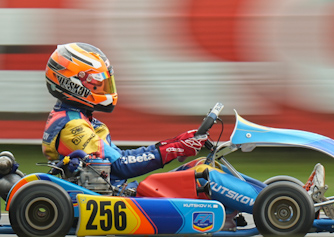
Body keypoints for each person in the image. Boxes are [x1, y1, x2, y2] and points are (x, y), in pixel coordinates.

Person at [24, 42, 209, 192]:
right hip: (115, 197)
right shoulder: (73, 126)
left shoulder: (78, 118)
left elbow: (119, 159)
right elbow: (120, 165)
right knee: (205, 177)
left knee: (199, 167)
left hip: (117, 190)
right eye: (97, 83)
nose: (103, 88)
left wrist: (179, 142)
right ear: (72, 83)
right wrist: (175, 148)